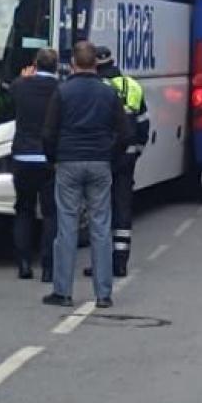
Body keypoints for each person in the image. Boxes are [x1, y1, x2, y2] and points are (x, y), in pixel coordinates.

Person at [42, 41, 133, 308]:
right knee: (101, 227)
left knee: (67, 227)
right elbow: (126, 133)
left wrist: (54, 160)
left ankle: (62, 291)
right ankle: (103, 294)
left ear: (72, 65)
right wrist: (110, 157)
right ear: (96, 64)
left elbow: (48, 133)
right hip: (100, 163)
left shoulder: (62, 92)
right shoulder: (108, 94)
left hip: (68, 162)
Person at [92, 46, 149, 278]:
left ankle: (101, 262)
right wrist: (137, 150)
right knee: (122, 208)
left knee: (100, 208)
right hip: (127, 156)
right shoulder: (132, 86)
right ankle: (120, 262)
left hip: (103, 155)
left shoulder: (97, 88)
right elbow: (144, 123)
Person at [7, 48, 60, 282]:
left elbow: (10, 96)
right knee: (50, 213)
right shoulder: (61, 89)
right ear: (56, 66)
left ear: (35, 65)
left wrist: (23, 77)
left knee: (24, 209)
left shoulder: (20, 85)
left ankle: (24, 264)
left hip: (22, 157)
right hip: (49, 159)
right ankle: (48, 267)